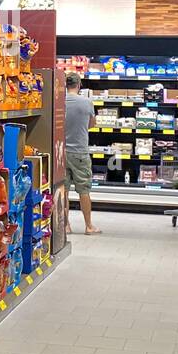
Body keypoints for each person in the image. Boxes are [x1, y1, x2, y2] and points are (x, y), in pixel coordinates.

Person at [64, 71, 100, 235]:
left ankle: (65, 225)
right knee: (84, 191)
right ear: (79, 85)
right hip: (80, 151)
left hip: (62, 152)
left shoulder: (59, 102)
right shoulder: (87, 102)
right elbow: (91, 125)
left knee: (63, 191)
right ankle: (88, 226)